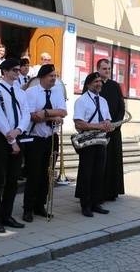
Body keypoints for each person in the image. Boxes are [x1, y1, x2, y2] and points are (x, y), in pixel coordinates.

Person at [22, 64, 67, 222]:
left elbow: (63, 112)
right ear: (42, 77)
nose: (54, 78)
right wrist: (53, 117)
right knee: (34, 174)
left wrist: (46, 113)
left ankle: (40, 205)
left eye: (55, 76)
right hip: (35, 138)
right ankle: (27, 208)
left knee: (47, 174)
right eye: (51, 76)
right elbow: (33, 116)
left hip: (51, 138)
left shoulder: (57, 92)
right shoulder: (31, 92)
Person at [0, 58, 29, 232]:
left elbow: (26, 114)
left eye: (18, 70)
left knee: (13, 180)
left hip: (16, 136)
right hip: (1, 137)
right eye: (14, 70)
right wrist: (11, 140)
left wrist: (18, 130)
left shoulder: (20, 92)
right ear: (4, 71)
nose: (17, 73)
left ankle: (7, 215)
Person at [73, 72, 113, 217]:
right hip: (87, 141)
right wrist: (98, 127)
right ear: (88, 84)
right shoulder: (81, 101)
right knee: (86, 173)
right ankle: (86, 205)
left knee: (98, 173)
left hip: (101, 141)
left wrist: (108, 124)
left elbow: (107, 119)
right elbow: (78, 123)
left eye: (100, 81)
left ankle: (96, 202)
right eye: (96, 81)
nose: (99, 84)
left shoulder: (103, 101)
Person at [97, 59, 126, 202]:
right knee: (99, 162)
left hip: (114, 130)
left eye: (109, 69)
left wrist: (115, 124)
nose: (107, 71)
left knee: (112, 161)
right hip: (98, 130)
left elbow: (121, 107)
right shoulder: (93, 84)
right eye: (104, 69)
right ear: (98, 69)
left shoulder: (115, 86)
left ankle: (112, 192)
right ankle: (98, 192)